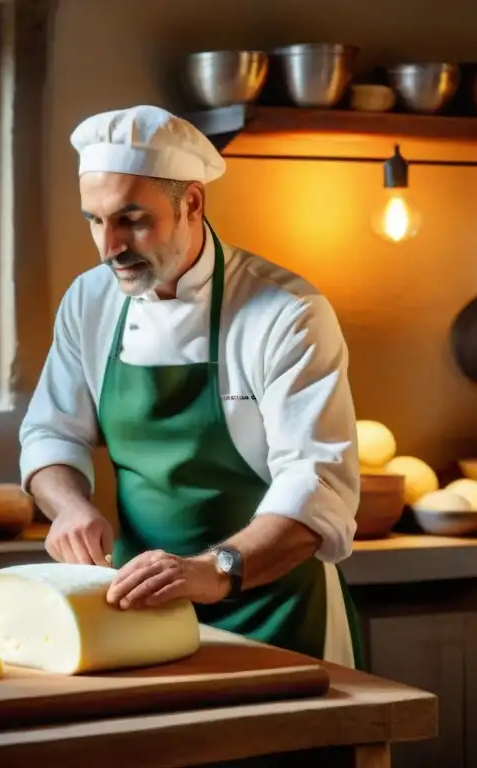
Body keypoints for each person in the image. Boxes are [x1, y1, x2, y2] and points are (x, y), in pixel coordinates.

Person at [19, 104, 362, 668]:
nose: (109, 247)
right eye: (95, 220)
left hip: (274, 611)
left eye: (132, 219)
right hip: (141, 605)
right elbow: (50, 433)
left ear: (192, 203)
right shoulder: (89, 300)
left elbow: (316, 484)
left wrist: (212, 570)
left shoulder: (286, 313)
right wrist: (70, 507)